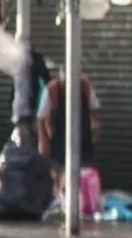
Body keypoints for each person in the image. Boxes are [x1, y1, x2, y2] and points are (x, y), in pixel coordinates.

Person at [36, 62, 102, 193]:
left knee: (83, 173)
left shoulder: (85, 86)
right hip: (59, 137)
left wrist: (95, 126)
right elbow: (41, 117)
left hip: (82, 137)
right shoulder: (52, 89)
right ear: (62, 77)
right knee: (59, 175)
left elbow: (95, 108)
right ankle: (60, 201)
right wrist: (43, 140)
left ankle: (81, 200)